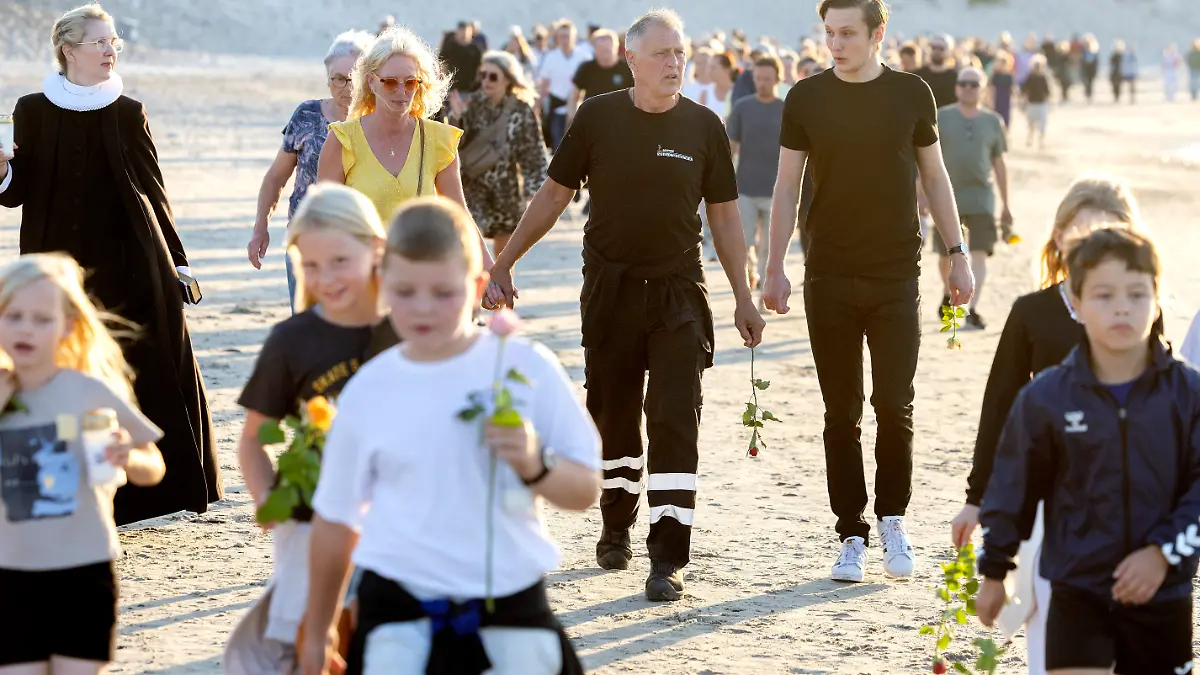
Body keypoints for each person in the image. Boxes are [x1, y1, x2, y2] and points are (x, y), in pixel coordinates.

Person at [489, 9, 765, 602]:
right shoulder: (597, 117)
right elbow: (554, 195)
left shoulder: (704, 126)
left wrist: (743, 295)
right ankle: (616, 524)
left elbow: (723, 216)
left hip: (678, 293)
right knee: (612, 415)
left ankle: (668, 556)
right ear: (632, 60)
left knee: (675, 417)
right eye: (662, 53)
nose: (674, 63)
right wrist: (504, 261)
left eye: (680, 52)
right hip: (610, 292)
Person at [299, 198, 601, 675]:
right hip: (398, 618)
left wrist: (534, 463)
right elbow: (336, 522)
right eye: (405, 291)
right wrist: (318, 633)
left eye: (443, 292)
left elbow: (585, 490)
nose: (423, 308)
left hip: (509, 612)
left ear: (478, 286)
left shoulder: (524, 368)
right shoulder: (368, 390)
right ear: (382, 283)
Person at [762, 0, 974, 583]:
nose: (835, 44)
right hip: (827, 272)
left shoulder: (912, 94)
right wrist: (774, 266)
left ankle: (892, 519)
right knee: (841, 412)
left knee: (894, 404)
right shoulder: (806, 97)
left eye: (848, 33)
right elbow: (785, 186)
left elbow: (935, 175)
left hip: (895, 273)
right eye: (829, 33)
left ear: (879, 34)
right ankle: (850, 533)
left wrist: (957, 253)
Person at [0, 3, 220, 526]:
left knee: (125, 371)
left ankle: (128, 498)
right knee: (59, 371)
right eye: (100, 41)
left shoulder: (128, 111)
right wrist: (2, 168)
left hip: (130, 268)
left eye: (114, 41)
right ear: (68, 49)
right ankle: (63, 492)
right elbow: (15, 193)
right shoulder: (31, 109)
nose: (111, 50)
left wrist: (178, 264)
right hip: (55, 272)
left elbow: (154, 192)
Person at [977, 228, 1198, 675]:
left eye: (1137, 293)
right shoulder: (1047, 397)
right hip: (1076, 593)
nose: (1122, 306)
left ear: (1158, 300)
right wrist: (995, 570)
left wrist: (1162, 553)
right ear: (1074, 303)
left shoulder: (1188, 394)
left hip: (1162, 597)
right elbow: (1014, 487)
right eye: (1104, 294)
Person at [949, 175, 1146, 675]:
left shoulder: (1142, 315)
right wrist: (977, 497)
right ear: (1059, 238)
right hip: (1049, 504)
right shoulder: (1032, 313)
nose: (1097, 248)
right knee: (1050, 634)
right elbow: (1000, 408)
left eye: (1112, 235)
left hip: (1127, 503)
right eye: (1084, 234)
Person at [224, 185, 395, 674]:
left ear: (375, 248)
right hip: (311, 518)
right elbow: (253, 440)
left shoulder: (408, 327)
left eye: (340, 261)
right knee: (313, 647)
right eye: (312, 265)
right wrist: (268, 501)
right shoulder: (292, 340)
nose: (326, 278)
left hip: (396, 516)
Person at [0, 253, 165, 675]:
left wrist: (129, 457)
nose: (26, 329)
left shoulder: (88, 392)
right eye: (14, 316)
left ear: (68, 327)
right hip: (10, 571)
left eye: (42, 319)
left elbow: (154, 465)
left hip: (83, 568)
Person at [317, 25, 502, 304]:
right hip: (361, 284)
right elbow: (324, 220)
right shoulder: (343, 139)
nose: (402, 91)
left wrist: (489, 273)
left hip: (421, 283)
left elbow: (459, 214)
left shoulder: (439, 140)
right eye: (390, 82)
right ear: (371, 82)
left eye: (411, 82)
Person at [247, 30, 373, 313]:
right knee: (307, 325)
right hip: (307, 241)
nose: (347, 87)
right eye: (338, 79)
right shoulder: (306, 115)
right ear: (328, 79)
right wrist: (260, 226)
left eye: (354, 78)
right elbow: (276, 177)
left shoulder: (377, 121)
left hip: (360, 245)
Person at [932, 66, 1012, 330]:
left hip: (981, 197)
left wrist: (1006, 205)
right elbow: (927, 160)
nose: (968, 88)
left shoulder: (993, 121)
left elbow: (999, 163)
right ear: (956, 87)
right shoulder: (941, 117)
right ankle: (949, 294)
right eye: (963, 83)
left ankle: (970, 308)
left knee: (978, 253)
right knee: (946, 255)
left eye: (974, 84)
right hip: (945, 198)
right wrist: (921, 194)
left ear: (983, 89)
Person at [456, 51, 548, 258]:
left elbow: (533, 152)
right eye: (483, 75)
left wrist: (535, 190)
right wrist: (456, 118)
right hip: (474, 186)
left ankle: (501, 280)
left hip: (507, 188)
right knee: (471, 247)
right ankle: (475, 280)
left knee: (504, 257)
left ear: (508, 78)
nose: (486, 81)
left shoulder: (521, 110)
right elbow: (458, 144)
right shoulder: (472, 104)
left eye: (493, 76)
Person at [728, 55, 785, 307]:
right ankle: (750, 278)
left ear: (777, 79)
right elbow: (731, 147)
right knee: (745, 242)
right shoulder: (743, 107)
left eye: (767, 79)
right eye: (758, 78)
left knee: (770, 247)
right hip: (746, 187)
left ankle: (765, 292)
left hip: (777, 189)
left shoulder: (785, 109)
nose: (762, 83)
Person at [537, 20, 590, 151]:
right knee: (559, 145)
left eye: (567, 36)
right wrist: (538, 106)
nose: (565, 40)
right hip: (558, 107)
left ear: (574, 37)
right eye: (561, 36)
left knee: (580, 145)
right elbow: (543, 84)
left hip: (579, 108)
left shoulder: (584, 57)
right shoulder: (551, 57)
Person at [566, 29, 633, 125]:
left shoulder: (627, 69)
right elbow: (574, 96)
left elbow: (637, 96)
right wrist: (572, 118)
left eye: (607, 50)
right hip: (592, 120)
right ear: (595, 49)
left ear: (616, 47)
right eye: (601, 50)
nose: (604, 54)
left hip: (620, 120)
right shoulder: (586, 68)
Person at [440, 21, 484, 111]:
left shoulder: (475, 50)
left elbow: (480, 69)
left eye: (467, 31)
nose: (464, 34)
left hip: (469, 91)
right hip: (451, 90)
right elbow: (442, 64)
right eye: (462, 31)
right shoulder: (449, 47)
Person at [915, 33, 959, 107]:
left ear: (949, 51)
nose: (937, 51)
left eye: (941, 49)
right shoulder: (918, 76)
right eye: (933, 48)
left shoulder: (955, 77)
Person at [1021, 55, 1052, 150]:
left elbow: (1047, 91)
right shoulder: (1030, 77)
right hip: (1032, 103)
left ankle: (1041, 140)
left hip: (1041, 103)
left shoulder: (1043, 77)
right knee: (1031, 123)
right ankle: (1030, 138)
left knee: (1042, 124)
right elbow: (1024, 90)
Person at [989, 50, 1015, 127]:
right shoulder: (995, 76)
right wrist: (991, 102)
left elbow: (1012, 90)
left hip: (1006, 100)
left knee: (1006, 121)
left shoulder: (1009, 76)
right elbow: (991, 89)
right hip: (997, 100)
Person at [1080, 34, 1100, 103]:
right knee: (1086, 82)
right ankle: (1087, 93)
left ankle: (1089, 94)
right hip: (1085, 69)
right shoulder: (1083, 52)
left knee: (1090, 82)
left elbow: (1096, 63)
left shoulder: (1093, 53)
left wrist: (1095, 70)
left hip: (1091, 70)